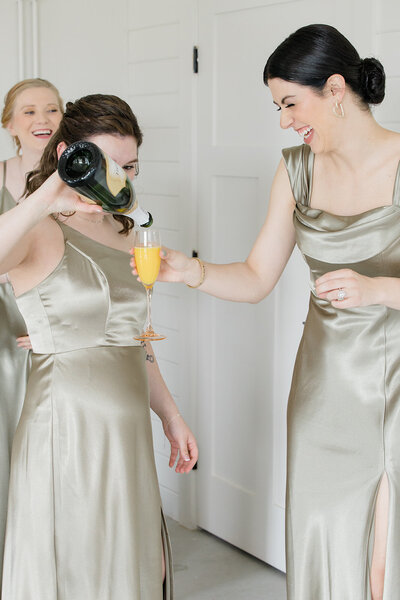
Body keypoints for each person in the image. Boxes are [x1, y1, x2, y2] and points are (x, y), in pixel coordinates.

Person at [140, 24, 400, 600]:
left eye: (289, 102)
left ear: (334, 88)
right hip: (327, 391)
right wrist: (193, 271)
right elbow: (258, 277)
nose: (284, 120)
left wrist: (380, 291)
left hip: (397, 382)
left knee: (384, 570)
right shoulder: (295, 169)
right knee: (328, 548)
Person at [0, 93, 198, 599]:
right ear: (70, 157)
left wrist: (171, 416)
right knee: (76, 570)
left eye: (131, 166)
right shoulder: (39, 228)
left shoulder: (128, 230)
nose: (122, 180)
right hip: (65, 429)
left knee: (138, 569)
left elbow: (136, 338)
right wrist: (44, 198)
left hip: (128, 427)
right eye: (110, 165)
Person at [0, 78, 63, 582]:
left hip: (59, 328)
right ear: (9, 124)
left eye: (52, 109)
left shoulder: (81, 180)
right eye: (28, 112)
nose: (41, 119)